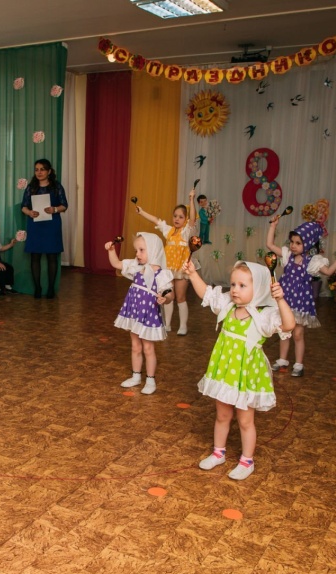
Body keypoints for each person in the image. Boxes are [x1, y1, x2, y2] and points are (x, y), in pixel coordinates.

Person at [183, 259, 295, 480]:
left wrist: (280, 299)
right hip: (225, 373)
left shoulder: (262, 315)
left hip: (246, 375)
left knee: (245, 420)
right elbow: (207, 294)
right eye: (233, 284)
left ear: (259, 288)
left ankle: (247, 461)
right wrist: (193, 274)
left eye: (242, 285)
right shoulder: (228, 305)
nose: (235, 290)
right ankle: (218, 453)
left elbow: (289, 324)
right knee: (222, 415)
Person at [266, 219, 336, 377]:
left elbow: (328, 272)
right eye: (292, 242)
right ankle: (282, 360)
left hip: (300, 302)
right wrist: (273, 226)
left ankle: (298, 364)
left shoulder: (312, 261)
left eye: (298, 243)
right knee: (284, 331)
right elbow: (270, 245)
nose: (293, 245)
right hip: (286, 300)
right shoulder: (288, 255)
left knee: (298, 334)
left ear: (308, 244)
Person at [104, 232, 174, 395]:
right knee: (135, 346)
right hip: (135, 313)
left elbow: (170, 294)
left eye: (142, 250)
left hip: (148, 314)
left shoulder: (161, 273)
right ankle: (136, 376)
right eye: (136, 250)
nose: (137, 254)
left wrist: (165, 298)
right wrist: (111, 251)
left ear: (153, 250)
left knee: (148, 348)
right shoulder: (136, 266)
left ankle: (150, 380)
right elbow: (117, 264)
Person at [133, 190, 199, 335]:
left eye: (181, 217)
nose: (177, 219)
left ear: (185, 219)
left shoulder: (187, 232)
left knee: (180, 297)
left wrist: (191, 200)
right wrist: (142, 212)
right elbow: (156, 220)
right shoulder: (168, 231)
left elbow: (192, 219)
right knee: (169, 296)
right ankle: (167, 324)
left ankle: (183, 326)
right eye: (175, 216)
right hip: (168, 269)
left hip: (181, 269)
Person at [20, 159, 68, 299]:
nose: (39, 172)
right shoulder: (31, 187)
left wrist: (54, 209)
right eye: (36, 169)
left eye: (42, 169)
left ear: (49, 171)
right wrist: (29, 212)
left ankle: (51, 289)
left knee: (52, 256)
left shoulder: (56, 186)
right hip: (35, 224)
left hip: (52, 224)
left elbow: (64, 205)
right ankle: (37, 288)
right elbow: (23, 206)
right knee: (35, 256)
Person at [0, 218, 18, 296]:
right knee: (0, 269)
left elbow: (1, 248)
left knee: (9, 267)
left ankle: (7, 286)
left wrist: (11, 244)